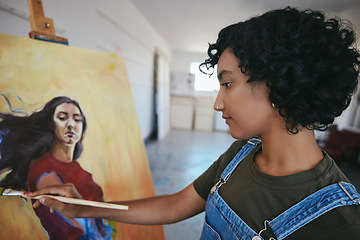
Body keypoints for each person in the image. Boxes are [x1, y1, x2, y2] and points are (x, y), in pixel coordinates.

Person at [30, 7, 360, 239]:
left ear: (277, 83)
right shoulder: (241, 155)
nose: (218, 103)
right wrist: (85, 208)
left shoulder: (340, 223)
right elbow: (176, 204)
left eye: (227, 84)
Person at [0, 96, 113, 240]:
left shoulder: (81, 171)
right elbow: (79, 229)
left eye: (77, 119)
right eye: (62, 118)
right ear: (51, 125)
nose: (71, 124)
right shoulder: (44, 169)